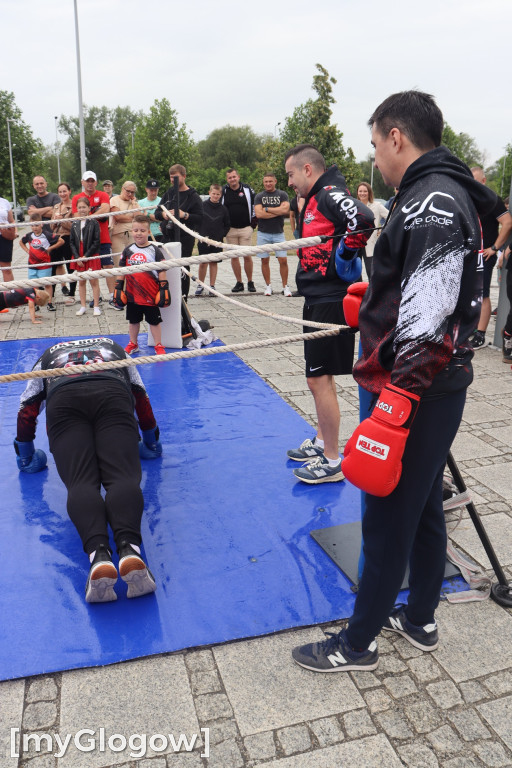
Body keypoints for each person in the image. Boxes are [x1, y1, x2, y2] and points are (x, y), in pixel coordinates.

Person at [291, 90, 498, 673]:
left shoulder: (431, 201)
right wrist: (376, 304)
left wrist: (395, 405)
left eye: (375, 144)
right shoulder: (437, 191)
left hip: (418, 386)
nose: (375, 158)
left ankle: (357, 644)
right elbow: (425, 291)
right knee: (424, 502)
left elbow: (429, 319)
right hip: (436, 381)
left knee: (385, 516)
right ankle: (421, 618)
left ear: (396, 137)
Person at [14, 336, 161, 603]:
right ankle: (130, 549)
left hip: (64, 399)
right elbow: (140, 395)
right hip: (112, 392)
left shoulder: (47, 355)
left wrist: (25, 454)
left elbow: (27, 406)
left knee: (81, 482)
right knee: (122, 476)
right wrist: (151, 439)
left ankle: (99, 555)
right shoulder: (115, 348)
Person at [284, 144, 373, 484]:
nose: (289, 182)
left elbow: (364, 219)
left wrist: (344, 256)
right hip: (318, 295)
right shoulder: (317, 196)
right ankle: (323, 441)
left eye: (291, 174)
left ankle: (333, 460)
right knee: (318, 377)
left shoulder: (329, 193)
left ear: (307, 169)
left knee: (318, 378)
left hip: (330, 298)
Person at [468, 167, 512, 350]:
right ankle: (469, 328)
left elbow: (507, 222)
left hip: (484, 254)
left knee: (482, 293)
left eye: (475, 180)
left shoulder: (492, 199)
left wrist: (494, 248)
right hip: (468, 254)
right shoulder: (468, 198)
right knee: (468, 293)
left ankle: (480, 334)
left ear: (484, 181)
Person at [118, 214, 169, 356]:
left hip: (151, 294)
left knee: (154, 321)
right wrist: (118, 287)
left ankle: (158, 344)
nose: (139, 233)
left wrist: (164, 288)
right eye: (136, 230)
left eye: (142, 230)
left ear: (148, 232)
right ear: (131, 231)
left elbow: (162, 270)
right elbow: (121, 269)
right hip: (132, 294)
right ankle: (133, 343)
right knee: (133, 321)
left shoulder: (154, 250)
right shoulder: (128, 250)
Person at [154, 164, 203, 300]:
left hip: (184, 238)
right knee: (166, 267)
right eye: (171, 177)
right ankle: (167, 297)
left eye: (175, 177)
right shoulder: (169, 193)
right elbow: (157, 212)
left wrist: (184, 215)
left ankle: (183, 299)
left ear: (184, 176)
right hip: (167, 237)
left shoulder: (193, 196)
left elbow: (200, 217)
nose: (172, 180)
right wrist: (164, 215)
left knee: (183, 269)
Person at [71, 170, 118, 309]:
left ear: (96, 182)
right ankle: (95, 299)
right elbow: (76, 216)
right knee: (88, 271)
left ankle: (112, 297)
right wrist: (94, 215)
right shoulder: (77, 197)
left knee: (108, 266)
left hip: (102, 239)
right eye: (87, 181)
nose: (90, 183)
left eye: (92, 181)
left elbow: (105, 209)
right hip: (85, 243)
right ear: (82, 182)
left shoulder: (103, 195)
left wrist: (89, 217)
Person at [254, 173, 292, 296]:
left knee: (283, 260)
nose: (268, 184)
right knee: (264, 260)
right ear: (263, 182)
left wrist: (267, 209)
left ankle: (285, 287)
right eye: (266, 181)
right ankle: (268, 286)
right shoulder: (259, 196)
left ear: (275, 181)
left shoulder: (282, 194)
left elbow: (285, 210)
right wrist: (277, 211)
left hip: (278, 233)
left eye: (270, 181)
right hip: (263, 233)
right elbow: (259, 214)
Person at [20, 213, 64, 318]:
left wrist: (50, 249)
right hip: (32, 265)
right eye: (32, 225)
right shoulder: (29, 235)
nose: (34, 227)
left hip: (45, 265)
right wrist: (27, 250)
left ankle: (49, 303)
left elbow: (61, 241)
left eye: (36, 225)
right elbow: (21, 242)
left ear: (41, 224)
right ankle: (36, 303)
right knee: (34, 285)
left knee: (47, 284)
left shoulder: (47, 235)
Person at [221, 168, 256, 293]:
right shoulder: (223, 191)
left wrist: (252, 225)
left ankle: (250, 282)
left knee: (247, 256)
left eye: (234, 177)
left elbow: (254, 206)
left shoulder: (247, 189)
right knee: (234, 257)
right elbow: (220, 208)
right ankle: (239, 282)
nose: (232, 179)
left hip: (245, 228)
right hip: (230, 230)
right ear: (227, 179)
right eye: (230, 178)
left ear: (238, 177)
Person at [195, 184, 230, 295]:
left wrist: (221, 235)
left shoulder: (223, 209)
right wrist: (200, 234)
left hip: (217, 241)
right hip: (203, 240)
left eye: (218, 194)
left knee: (214, 262)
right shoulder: (202, 206)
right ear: (209, 193)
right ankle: (200, 284)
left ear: (221, 195)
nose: (215, 196)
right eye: (213, 193)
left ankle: (212, 286)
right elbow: (197, 220)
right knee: (203, 262)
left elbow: (227, 224)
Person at [70, 198, 102, 316]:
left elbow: (96, 241)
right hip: (78, 255)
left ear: (89, 208)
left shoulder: (94, 222)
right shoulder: (74, 223)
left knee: (94, 281)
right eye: (79, 207)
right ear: (76, 209)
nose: (82, 210)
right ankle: (83, 306)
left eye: (84, 207)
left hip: (90, 254)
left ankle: (96, 306)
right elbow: (71, 242)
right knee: (81, 281)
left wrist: (86, 256)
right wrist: (77, 257)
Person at [356, 182, 389, 279]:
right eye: (360, 191)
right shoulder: (354, 205)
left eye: (365, 191)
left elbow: (391, 217)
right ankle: (358, 288)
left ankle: (372, 289)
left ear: (369, 192)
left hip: (369, 243)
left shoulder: (377, 205)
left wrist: (382, 229)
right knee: (356, 273)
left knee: (371, 272)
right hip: (355, 242)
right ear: (357, 192)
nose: (362, 193)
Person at [51, 182, 75, 305]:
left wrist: (62, 220)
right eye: (60, 192)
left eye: (64, 191)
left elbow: (74, 226)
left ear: (69, 191)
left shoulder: (74, 206)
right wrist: (55, 221)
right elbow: (51, 227)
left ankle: (72, 294)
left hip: (68, 238)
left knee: (70, 267)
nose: (62, 194)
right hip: (56, 239)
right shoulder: (56, 207)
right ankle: (51, 294)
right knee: (53, 266)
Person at [109, 181, 138, 264]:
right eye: (128, 191)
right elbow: (118, 217)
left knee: (133, 262)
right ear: (122, 189)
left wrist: (134, 203)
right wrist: (132, 219)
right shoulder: (114, 199)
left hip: (132, 235)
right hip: (118, 235)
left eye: (132, 192)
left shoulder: (134, 202)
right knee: (119, 263)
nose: (130, 194)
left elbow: (139, 218)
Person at [0, 195, 16, 284]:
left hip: (4, 237)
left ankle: (10, 291)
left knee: (6, 268)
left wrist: (14, 232)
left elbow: (11, 221)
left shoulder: (4, 202)